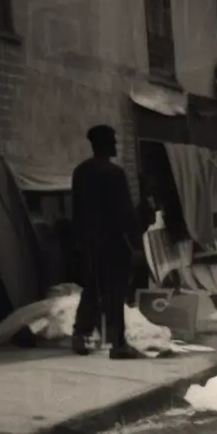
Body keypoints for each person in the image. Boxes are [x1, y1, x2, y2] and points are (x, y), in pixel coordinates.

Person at [70, 124, 142, 359]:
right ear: (104, 144)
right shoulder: (114, 173)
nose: (116, 144)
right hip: (114, 242)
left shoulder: (81, 172)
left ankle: (80, 334)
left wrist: (80, 240)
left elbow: (76, 210)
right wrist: (136, 244)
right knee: (114, 293)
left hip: (90, 242)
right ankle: (117, 344)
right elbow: (125, 212)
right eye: (112, 140)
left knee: (92, 288)